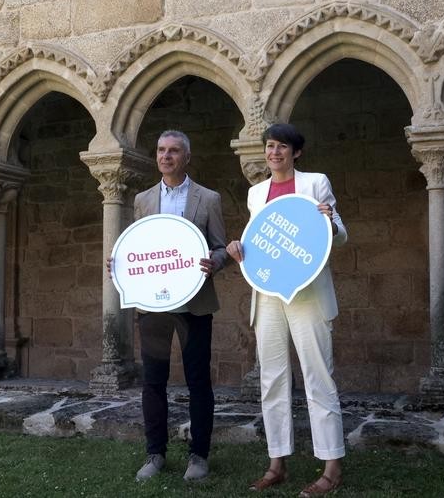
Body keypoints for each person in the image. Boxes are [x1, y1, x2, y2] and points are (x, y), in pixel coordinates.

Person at [226, 123, 348, 496]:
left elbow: (340, 235)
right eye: (269, 146)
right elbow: (257, 240)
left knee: (318, 377)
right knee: (272, 378)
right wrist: (237, 249)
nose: (274, 152)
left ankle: (331, 467)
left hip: (308, 292)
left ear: (296, 152)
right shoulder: (256, 193)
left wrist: (329, 219)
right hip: (268, 296)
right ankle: (276, 462)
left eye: (281, 147)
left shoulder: (315, 183)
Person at [110, 130, 228, 482]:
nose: (166, 156)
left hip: (194, 303)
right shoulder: (144, 199)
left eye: (174, 151)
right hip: (153, 306)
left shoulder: (208, 199)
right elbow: (139, 247)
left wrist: (215, 261)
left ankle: (199, 456)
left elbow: (221, 247)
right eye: (161, 150)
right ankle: (155, 454)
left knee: (198, 382)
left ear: (186, 157)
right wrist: (120, 263)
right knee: (153, 381)